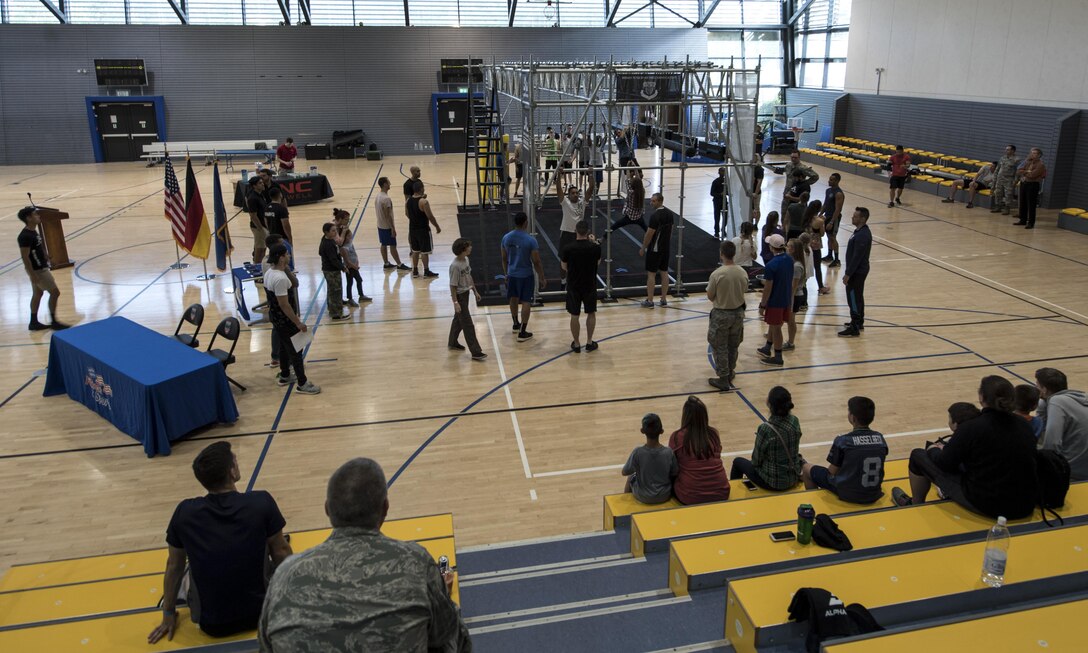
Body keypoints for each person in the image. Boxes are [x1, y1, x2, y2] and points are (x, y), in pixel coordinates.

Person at [258, 458, 469, 652]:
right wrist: (441, 595)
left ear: (327, 510)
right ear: (385, 508)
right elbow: (447, 633)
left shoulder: (283, 574)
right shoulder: (416, 562)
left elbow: (266, 645)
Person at [147, 441, 293, 644]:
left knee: (188, 567)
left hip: (212, 625)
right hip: (261, 615)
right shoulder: (261, 502)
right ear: (232, 472)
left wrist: (168, 613)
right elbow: (282, 552)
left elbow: (174, 566)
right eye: (235, 460)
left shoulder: (185, 513)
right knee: (275, 547)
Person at [894, 376, 1038, 519]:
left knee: (918, 456)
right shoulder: (1024, 424)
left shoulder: (972, 427)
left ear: (981, 397)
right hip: (1025, 504)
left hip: (989, 505)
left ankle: (915, 504)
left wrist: (934, 449)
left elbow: (945, 464)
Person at [802, 396, 888, 504]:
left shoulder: (843, 441)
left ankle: (811, 506)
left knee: (806, 468)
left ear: (852, 417)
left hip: (848, 494)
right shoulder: (881, 439)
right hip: (874, 494)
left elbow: (831, 472)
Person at [730, 386, 803, 491]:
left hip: (772, 482)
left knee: (737, 462)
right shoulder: (795, 421)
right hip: (793, 477)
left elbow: (756, 461)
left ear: (770, 404)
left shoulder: (766, 429)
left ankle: (734, 495)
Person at [668, 396, 730, 504]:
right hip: (721, 492)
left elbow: (672, 466)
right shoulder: (714, 434)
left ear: (685, 416)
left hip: (690, 496)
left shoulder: (677, 437)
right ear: (704, 415)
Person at [16, 207, 69, 331]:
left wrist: (45, 255)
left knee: (38, 294)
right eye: (35, 214)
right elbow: (25, 257)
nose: (38, 216)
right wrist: (32, 274)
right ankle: (54, 322)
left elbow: (38, 246)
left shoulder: (32, 231)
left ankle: (33, 323)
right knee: (55, 293)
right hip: (38, 270)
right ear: (29, 218)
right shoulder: (25, 236)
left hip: (40, 267)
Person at [706, 240, 748, 391]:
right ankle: (730, 371)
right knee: (733, 345)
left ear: (721, 253)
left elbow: (710, 295)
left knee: (720, 346)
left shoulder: (717, 274)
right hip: (738, 313)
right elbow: (745, 290)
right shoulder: (742, 272)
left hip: (721, 314)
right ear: (734, 253)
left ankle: (723, 378)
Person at [1035, 367, 1088, 480]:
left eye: (1037, 386)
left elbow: (1052, 443)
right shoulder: (1081, 398)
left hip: (1073, 472)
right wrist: (1042, 406)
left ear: (1044, 390)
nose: (1036, 389)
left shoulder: (1057, 401)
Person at [501, 212, 546, 342]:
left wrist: (506, 273)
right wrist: (542, 277)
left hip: (512, 274)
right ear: (526, 223)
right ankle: (522, 332)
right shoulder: (530, 240)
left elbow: (504, 258)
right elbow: (536, 261)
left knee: (513, 298)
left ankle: (516, 323)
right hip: (526, 275)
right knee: (526, 301)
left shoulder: (506, 238)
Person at [561, 220, 601, 353]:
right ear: (588, 232)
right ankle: (589, 342)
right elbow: (598, 263)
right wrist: (594, 242)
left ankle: (577, 343)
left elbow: (564, 267)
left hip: (574, 285)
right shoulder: (595, 248)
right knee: (591, 313)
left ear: (575, 231)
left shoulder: (568, 248)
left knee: (574, 315)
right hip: (590, 284)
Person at [622, 413, 678, 504]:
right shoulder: (669, 452)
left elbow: (624, 472)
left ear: (642, 431)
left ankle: (624, 509)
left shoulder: (637, 452)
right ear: (662, 431)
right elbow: (675, 472)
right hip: (664, 495)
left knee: (630, 477)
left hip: (643, 496)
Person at [447, 238, 487, 361]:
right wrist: (455, 302)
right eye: (469, 246)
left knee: (458, 320)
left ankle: (452, 342)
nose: (471, 248)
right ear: (463, 249)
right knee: (467, 324)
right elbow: (453, 286)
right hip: (459, 296)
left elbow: (469, 276)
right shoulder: (455, 266)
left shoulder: (466, 260)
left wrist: (475, 291)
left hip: (466, 293)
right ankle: (476, 352)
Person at [756, 234, 793, 367]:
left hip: (775, 301)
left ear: (771, 247)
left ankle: (778, 357)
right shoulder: (789, 259)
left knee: (776, 328)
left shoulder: (771, 265)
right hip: (786, 298)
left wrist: (762, 304)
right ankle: (767, 347)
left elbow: (768, 287)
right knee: (774, 324)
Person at [839, 207, 871, 338]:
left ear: (862, 219)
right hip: (857, 270)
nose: (852, 217)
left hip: (857, 272)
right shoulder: (859, 232)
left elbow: (857, 257)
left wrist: (848, 274)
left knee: (853, 297)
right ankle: (859, 321)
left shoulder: (863, 235)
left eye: (855, 216)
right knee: (857, 296)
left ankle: (855, 326)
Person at [640, 193, 674, 308]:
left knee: (651, 274)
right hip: (666, 248)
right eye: (651, 201)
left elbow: (649, 234)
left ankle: (650, 300)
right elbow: (671, 231)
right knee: (664, 272)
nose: (651, 203)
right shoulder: (670, 214)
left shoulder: (655, 216)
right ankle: (663, 299)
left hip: (655, 249)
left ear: (660, 201)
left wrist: (643, 247)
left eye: (653, 201)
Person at [335, 209, 371, 306]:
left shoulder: (349, 245)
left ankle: (360, 296)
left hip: (353, 264)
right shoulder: (344, 248)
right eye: (346, 219)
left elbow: (354, 254)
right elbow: (346, 260)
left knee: (356, 280)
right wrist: (354, 266)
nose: (350, 237)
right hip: (350, 266)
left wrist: (356, 262)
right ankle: (351, 298)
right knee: (351, 281)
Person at [406, 180, 441, 278]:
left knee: (415, 251)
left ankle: (415, 271)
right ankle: (426, 271)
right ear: (421, 189)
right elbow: (430, 216)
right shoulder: (424, 202)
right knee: (424, 252)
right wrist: (437, 226)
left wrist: (414, 219)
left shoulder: (408, 201)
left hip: (412, 229)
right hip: (423, 229)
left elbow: (407, 214)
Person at [374, 177, 410, 271]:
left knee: (383, 244)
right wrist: (392, 228)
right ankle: (399, 264)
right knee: (393, 245)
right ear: (385, 184)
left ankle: (386, 263)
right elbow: (388, 215)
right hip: (387, 227)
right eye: (388, 182)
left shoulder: (378, 196)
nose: (390, 184)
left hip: (380, 225)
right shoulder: (386, 199)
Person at [319, 222, 348, 321]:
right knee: (336, 291)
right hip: (332, 271)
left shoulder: (326, 239)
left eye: (335, 230)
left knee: (331, 291)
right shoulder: (328, 244)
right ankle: (337, 314)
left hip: (328, 269)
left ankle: (332, 309)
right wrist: (343, 267)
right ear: (326, 232)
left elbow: (320, 252)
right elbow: (333, 259)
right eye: (333, 231)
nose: (335, 232)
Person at [558, 185, 585, 286]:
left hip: (578, 235)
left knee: (578, 259)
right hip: (566, 234)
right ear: (568, 195)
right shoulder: (565, 202)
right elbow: (559, 190)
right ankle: (563, 282)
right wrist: (558, 177)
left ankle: (576, 280)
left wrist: (591, 177)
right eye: (573, 193)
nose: (575, 195)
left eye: (577, 193)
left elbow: (591, 188)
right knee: (563, 259)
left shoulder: (582, 203)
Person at [607, 169, 647, 237]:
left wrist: (628, 168)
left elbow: (627, 179)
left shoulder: (631, 192)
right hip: (639, 217)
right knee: (646, 229)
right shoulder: (642, 191)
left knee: (614, 226)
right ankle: (654, 238)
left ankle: (603, 238)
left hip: (629, 217)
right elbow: (639, 180)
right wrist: (635, 168)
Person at [778, 150, 819, 217]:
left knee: (796, 216)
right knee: (784, 214)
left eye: (795, 157)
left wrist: (804, 183)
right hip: (787, 193)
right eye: (792, 157)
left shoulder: (803, 168)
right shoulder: (788, 165)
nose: (793, 159)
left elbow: (815, 176)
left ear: (799, 157)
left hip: (797, 195)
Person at [1015, 147, 1047, 229]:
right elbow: (1018, 171)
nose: (1032, 154)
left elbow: (1032, 175)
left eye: (1034, 153)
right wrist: (1027, 171)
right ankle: (1022, 219)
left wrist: (1024, 172)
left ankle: (1030, 223)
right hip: (1024, 183)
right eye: (1031, 153)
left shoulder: (1040, 164)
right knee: (1023, 202)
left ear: (1039, 155)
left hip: (1032, 185)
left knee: (1031, 204)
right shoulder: (1027, 161)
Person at [820, 173, 845, 268]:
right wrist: (820, 214)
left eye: (831, 180)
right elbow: (825, 204)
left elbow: (838, 209)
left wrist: (832, 221)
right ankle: (829, 255)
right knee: (829, 237)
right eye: (829, 179)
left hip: (834, 218)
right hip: (827, 216)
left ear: (837, 181)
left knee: (833, 237)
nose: (829, 181)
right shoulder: (828, 191)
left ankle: (837, 259)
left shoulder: (839, 194)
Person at [990, 145, 1020, 216]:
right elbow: (997, 168)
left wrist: (1015, 181)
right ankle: (998, 206)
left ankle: (1007, 207)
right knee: (998, 192)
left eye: (1008, 149)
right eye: (1006, 149)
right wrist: (995, 177)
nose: (1006, 151)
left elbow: (1018, 171)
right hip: (1000, 178)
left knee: (1008, 194)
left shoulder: (1016, 160)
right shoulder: (1002, 158)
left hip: (1009, 179)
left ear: (1013, 151)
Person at [785, 238, 804, 350]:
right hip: (792, 295)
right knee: (789, 320)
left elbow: (794, 286)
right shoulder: (792, 262)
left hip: (795, 296)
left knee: (791, 321)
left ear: (793, 249)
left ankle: (791, 343)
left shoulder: (797, 266)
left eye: (788, 246)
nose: (786, 248)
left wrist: (789, 301)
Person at [731, 221, 763, 288]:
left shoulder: (734, 240)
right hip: (746, 268)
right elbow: (754, 257)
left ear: (741, 229)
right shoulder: (752, 243)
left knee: (734, 285)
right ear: (751, 232)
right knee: (743, 286)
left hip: (734, 266)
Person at [246, 176, 269, 264]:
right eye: (260, 183)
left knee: (263, 248)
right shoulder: (252, 198)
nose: (262, 184)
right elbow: (253, 215)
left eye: (262, 182)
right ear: (254, 186)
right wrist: (260, 228)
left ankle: (261, 266)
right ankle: (256, 266)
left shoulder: (260, 194)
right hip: (258, 227)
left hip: (263, 225)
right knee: (259, 249)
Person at [710, 167, 726, 237]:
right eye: (722, 171)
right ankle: (716, 231)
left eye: (724, 172)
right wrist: (720, 194)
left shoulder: (726, 181)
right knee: (717, 217)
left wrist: (726, 193)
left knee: (725, 217)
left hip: (724, 201)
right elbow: (712, 193)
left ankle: (723, 229)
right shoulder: (715, 182)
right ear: (719, 172)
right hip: (717, 201)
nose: (723, 173)